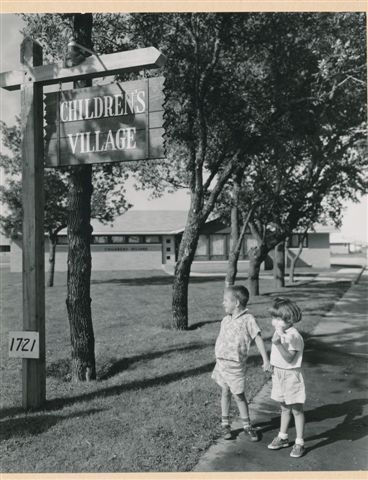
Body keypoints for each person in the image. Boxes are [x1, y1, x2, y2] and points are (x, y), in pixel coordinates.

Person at [212, 285, 271, 441]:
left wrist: (265, 359)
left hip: (236, 366)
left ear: (236, 302)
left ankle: (246, 425)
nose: (222, 303)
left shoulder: (248, 319)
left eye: (225, 300)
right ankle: (225, 424)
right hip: (222, 364)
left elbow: (257, 338)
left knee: (238, 395)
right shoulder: (225, 320)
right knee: (224, 392)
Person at [267, 297, 306, 458]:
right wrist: (272, 364)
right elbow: (278, 356)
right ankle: (283, 437)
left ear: (289, 319)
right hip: (279, 373)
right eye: (273, 318)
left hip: (291, 375)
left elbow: (289, 358)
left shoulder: (294, 336)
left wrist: (277, 344)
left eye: (278, 318)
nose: (274, 322)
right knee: (284, 407)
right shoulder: (281, 332)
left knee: (296, 410)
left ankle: (299, 442)